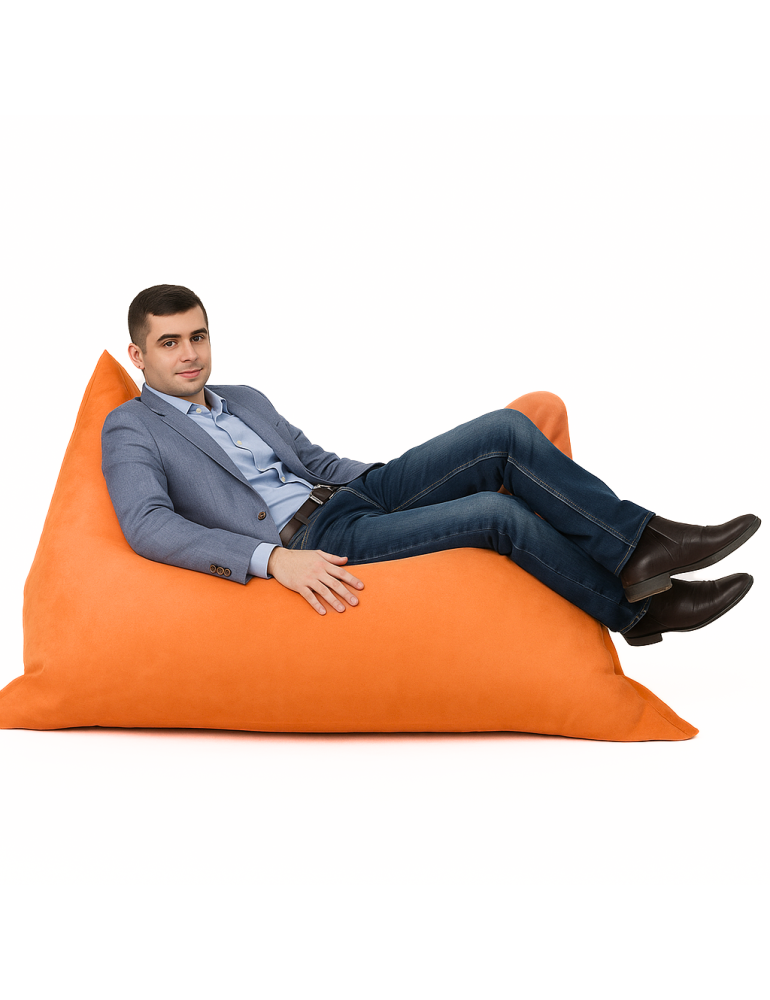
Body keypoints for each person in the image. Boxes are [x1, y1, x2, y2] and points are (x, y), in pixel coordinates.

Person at [102, 284, 760, 646]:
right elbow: (147, 524)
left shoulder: (244, 397)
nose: (189, 354)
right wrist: (272, 561)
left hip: (353, 494)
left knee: (505, 431)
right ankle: (639, 612)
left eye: (198, 336)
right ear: (139, 355)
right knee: (496, 515)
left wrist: (412, 477)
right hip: (312, 537)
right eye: (170, 343)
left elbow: (315, 460)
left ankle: (642, 545)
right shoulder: (132, 425)